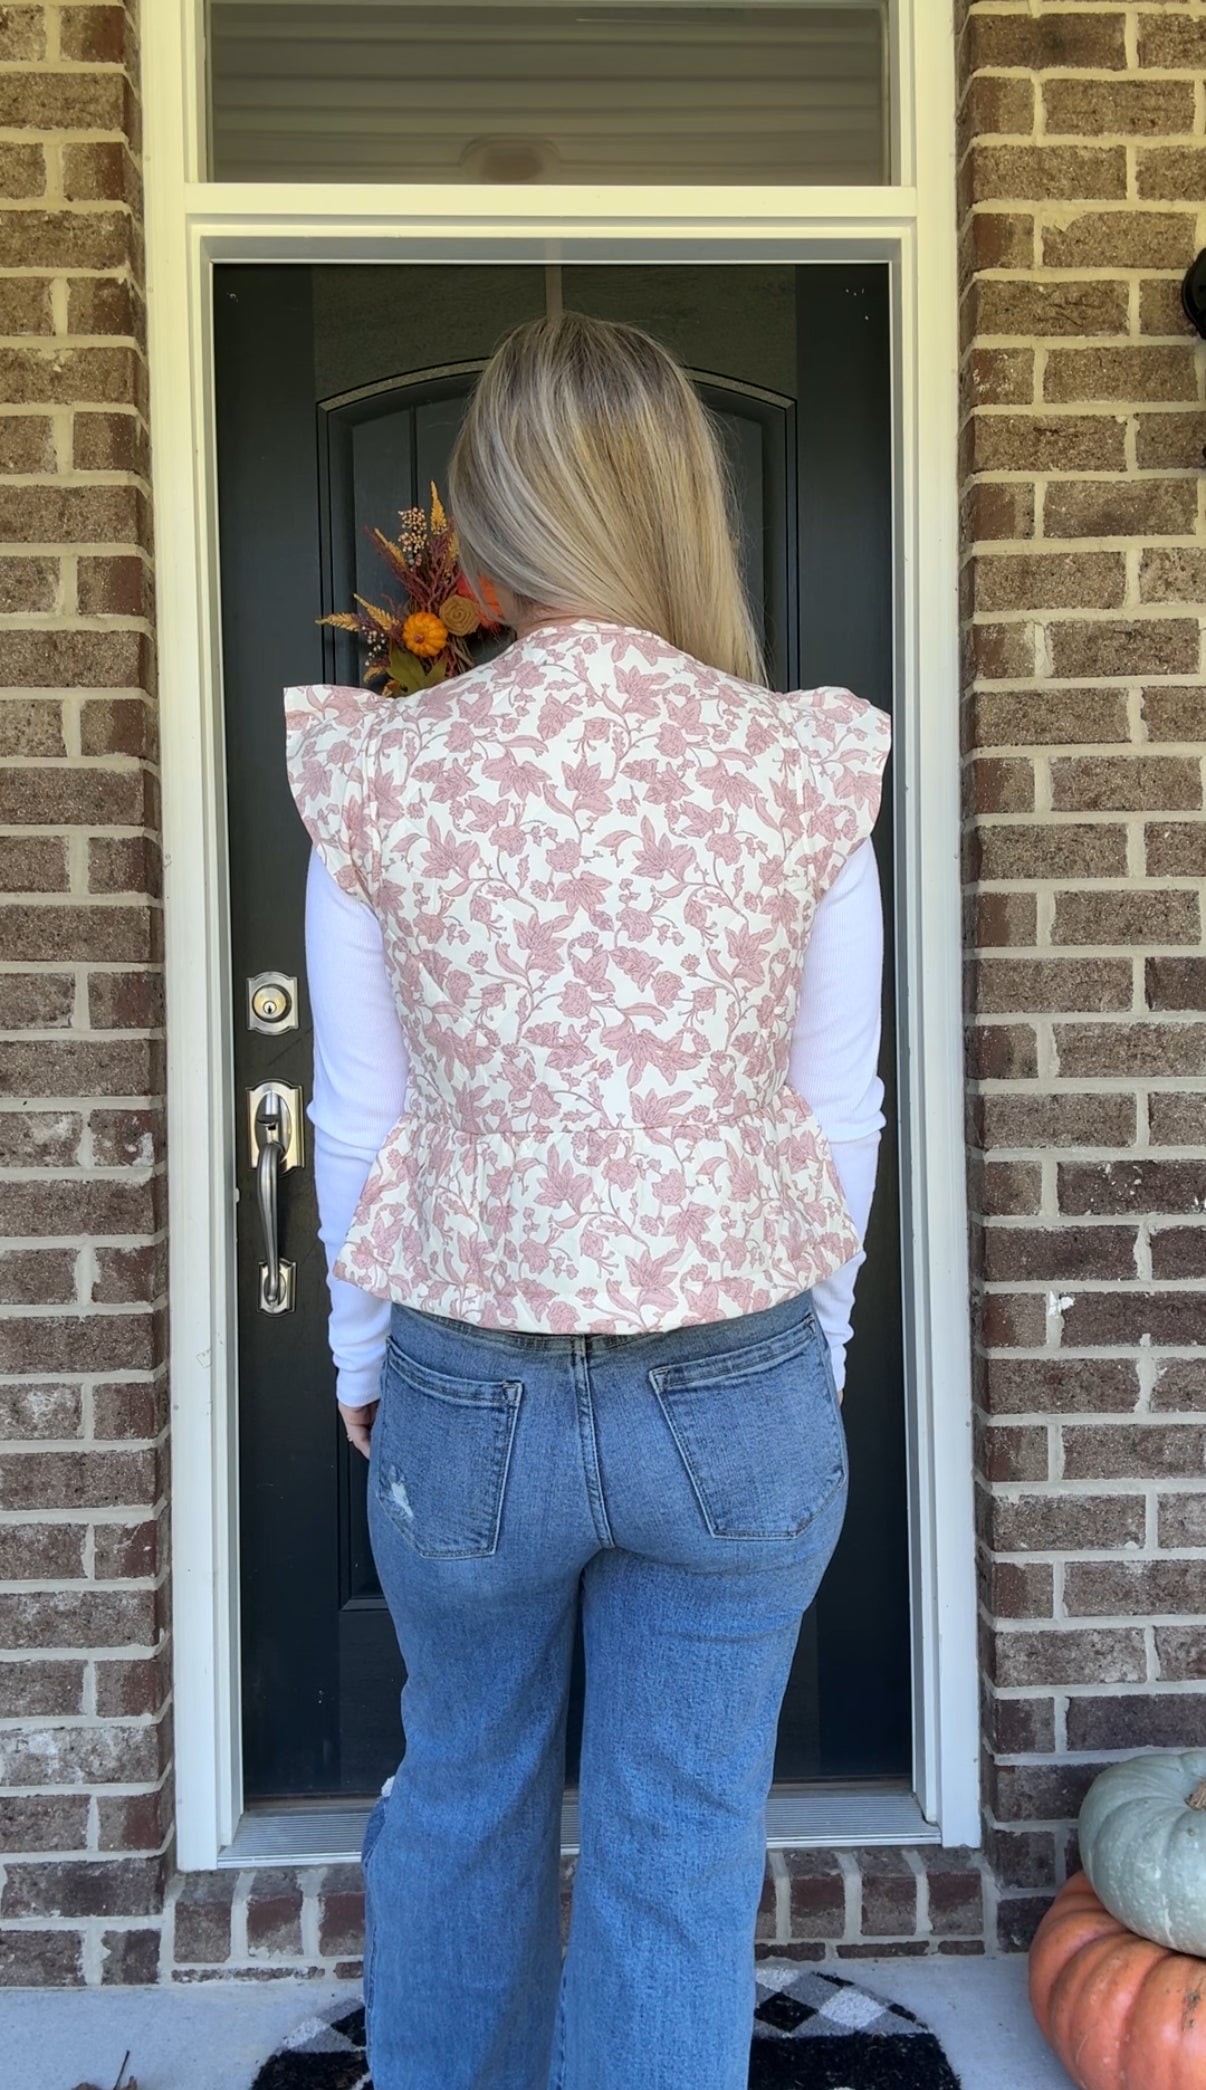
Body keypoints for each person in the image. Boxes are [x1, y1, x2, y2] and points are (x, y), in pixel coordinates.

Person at [284, 310, 891, 2090]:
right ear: (676, 503)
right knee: (677, 1844)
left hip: (468, 1386)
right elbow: (834, 1108)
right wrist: (817, 1356)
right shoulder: (796, 764)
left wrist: (361, 1346)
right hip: (740, 1374)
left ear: (484, 515)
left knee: (462, 1795)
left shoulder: (387, 770)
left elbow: (359, 1114)